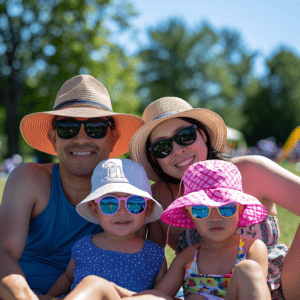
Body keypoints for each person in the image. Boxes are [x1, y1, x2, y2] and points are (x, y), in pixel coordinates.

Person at [129, 96, 300, 300]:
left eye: (185, 136)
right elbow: (150, 260)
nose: (178, 150)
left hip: (277, 288)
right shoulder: (160, 196)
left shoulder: (251, 170)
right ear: (153, 157)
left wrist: (292, 283)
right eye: (162, 147)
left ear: (202, 134)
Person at [0, 75, 144, 300]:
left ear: (113, 137)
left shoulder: (131, 195)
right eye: (68, 127)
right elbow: (3, 253)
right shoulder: (29, 179)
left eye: (96, 128)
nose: (81, 138)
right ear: (53, 137)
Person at [46, 158, 171, 300]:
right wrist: (48, 296)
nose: (122, 211)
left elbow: (160, 295)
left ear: (148, 208)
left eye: (134, 203)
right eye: (109, 203)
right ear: (94, 209)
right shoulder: (84, 246)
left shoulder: (154, 254)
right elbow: (68, 278)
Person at [153, 159, 271, 299]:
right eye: (201, 210)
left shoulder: (251, 249)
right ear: (189, 214)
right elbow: (158, 295)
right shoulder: (188, 257)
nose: (215, 218)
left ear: (240, 209)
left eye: (226, 208)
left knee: (248, 269)